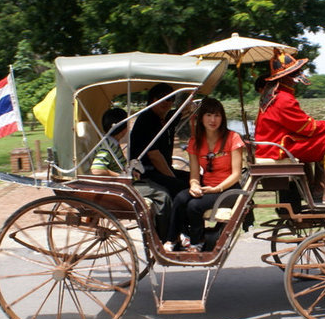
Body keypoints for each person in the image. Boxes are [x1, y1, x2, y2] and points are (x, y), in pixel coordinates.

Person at [254, 49, 325, 206]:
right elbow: (309, 128)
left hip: (273, 145)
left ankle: (317, 188)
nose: (296, 78)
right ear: (286, 77)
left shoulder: (272, 95)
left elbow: (301, 126)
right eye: (294, 73)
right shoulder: (283, 99)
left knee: (324, 139)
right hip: (278, 149)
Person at [165, 98, 244, 252]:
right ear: (201, 118)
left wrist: (217, 188)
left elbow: (236, 174)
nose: (213, 120)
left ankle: (198, 241)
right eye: (208, 115)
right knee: (180, 198)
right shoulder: (195, 142)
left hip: (229, 189)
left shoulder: (233, 138)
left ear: (222, 118)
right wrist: (194, 185)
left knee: (194, 205)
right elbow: (194, 175)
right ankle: (173, 237)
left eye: (217, 115)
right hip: (206, 186)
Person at [91, 107, 172, 239]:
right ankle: (164, 239)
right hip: (120, 187)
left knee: (158, 186)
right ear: (123, 129)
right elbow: (97, 169)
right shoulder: (108, 146)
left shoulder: (112, 143)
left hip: (125, 183)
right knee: (163, 195)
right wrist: (120, 177)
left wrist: (130, 173)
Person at [129, 83, 190, 197]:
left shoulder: (163, 119)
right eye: (162, 97)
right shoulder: (147, 120)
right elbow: (154, 156)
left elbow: (182, 112)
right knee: (183, 187)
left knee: (197, 179)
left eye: (171, 99)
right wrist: (173, 177)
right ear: (153, 99)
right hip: (146, 172)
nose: (167, 102)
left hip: (161, 170)